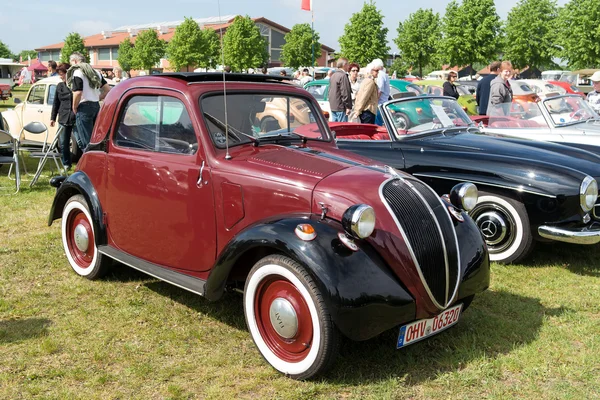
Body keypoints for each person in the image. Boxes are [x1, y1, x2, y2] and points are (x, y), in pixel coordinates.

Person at [67, 52, 111, 151]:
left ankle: (91, 164)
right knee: (94, 139)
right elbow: (108, 90)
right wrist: (97, 97)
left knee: (86, 142)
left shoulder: (78, 72)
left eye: (71, 63)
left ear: (75, 61)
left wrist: (74, 106)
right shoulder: (96, 72)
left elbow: (77, 92)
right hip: (96, 106)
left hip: (84, 107)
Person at [50, 63, 76, 170]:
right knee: (64, 143)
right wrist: (52, 118)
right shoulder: (59, 86)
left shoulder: (75, 84)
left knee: (80, 142)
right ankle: (66, 163)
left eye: (63, 74)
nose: (61, 76)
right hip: (63, 117)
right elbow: (56, 103)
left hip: (75, 116)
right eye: (60, 74)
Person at [328, 57, 353, 122]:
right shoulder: (343, 75)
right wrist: (348, 106)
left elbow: (330, 90)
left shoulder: (333, 75)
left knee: (335, 128)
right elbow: (345, 92)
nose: (348, 66)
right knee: (342, 128)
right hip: (341, 107)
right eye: (348, 64)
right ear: (344, 65)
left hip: (333, 106)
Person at [371, 58, 390, 126]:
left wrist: (375, 102)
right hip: (384, 102)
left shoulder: (380, 75)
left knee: (377, 125)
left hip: (380, 104)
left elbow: (379, 90)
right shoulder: (385, 75)